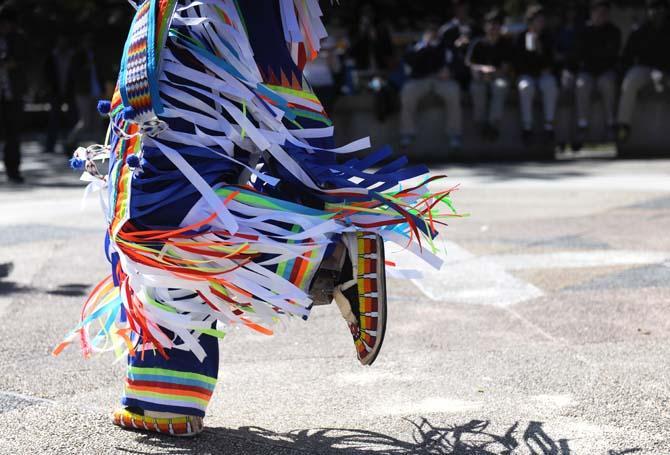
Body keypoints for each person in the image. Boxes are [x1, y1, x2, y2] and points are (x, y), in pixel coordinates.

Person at [54, 0, 456, 437]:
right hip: (170, 168)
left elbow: (285, 93)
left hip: (180, 187)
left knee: (161, 240)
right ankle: (161, 402)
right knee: (158, 264)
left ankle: (332, 257)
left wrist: (319, 193)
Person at [400, 22, 463, 151]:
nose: (432, 34)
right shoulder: (417, 46)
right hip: (420, 80)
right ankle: (407, 132)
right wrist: (422, 46)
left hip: (441, 80)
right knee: (407, 91)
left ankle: (454, 134)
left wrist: (449, 72)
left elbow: (456, 64)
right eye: (429, 31)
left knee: (453, 90)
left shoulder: (446, 46)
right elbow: (408, 61)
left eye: (435, 31)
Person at [617, 0, 670, 143]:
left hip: (667, 70)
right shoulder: (640, 31)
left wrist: (664, 74)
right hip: (645, 69)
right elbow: (627, 57)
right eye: (653, 9)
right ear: (648, 11)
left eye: (661, 9)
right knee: (630, 79)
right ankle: (623, 125)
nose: (657, 12)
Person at [573, 0, 621, 148]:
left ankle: (610, 124)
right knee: (581, 84)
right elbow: (578, 55)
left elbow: (611, 55)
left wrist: (595, 56)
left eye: (604, 13)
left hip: (606, 71)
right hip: (587, 72)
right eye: (598, 12)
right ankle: (582, 125)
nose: (601, 16)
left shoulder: (614, 31)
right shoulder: (583, 31)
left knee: (607, 83)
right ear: (591, 14)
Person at [513, 4, 558, 144]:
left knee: (550, 85)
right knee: (525, 87)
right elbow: (519, 61)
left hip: (543, 75)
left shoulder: (548, 37)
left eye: (542, 20)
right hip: (527, 75)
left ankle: (549, 125)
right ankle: (527, 126)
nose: (541, 23)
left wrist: (540, 50)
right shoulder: (522, 37)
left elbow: (551, 61)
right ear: (530, 22)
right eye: (538, 20)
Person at [466, 8, 513, 141]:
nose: (493, 28)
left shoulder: (505, 44)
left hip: (498, 77)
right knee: (477, 88)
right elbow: (470, 64)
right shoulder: (477, 43)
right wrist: (482, 70)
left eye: (496, 25)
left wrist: (492, 73)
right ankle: (480, 123)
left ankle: (493, 124)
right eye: (490, 25)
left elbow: (506, 68)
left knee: (500, 86)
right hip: (480, 78)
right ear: (485, 27)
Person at [0, 6, 25, 184]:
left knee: (13, 134)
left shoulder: (18, 39)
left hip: (13, 93)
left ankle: (13, 169)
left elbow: (23, 61)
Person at [44, 34, 75, 155]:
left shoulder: (71, 56)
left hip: (68, 92)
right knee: (54, 120)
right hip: (55, 92)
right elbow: (47, 75)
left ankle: (69, 146)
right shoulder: (52, 57)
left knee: (71, 119)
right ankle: (50, 146)